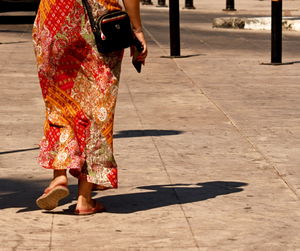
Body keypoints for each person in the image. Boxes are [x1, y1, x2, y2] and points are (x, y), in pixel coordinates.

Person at [32, 0, 147, 215]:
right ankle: (84, 199)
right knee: (97, 107)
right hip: (98, 22)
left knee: (59, 101)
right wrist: (137, 29)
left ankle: (59, 176)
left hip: (53, 18)